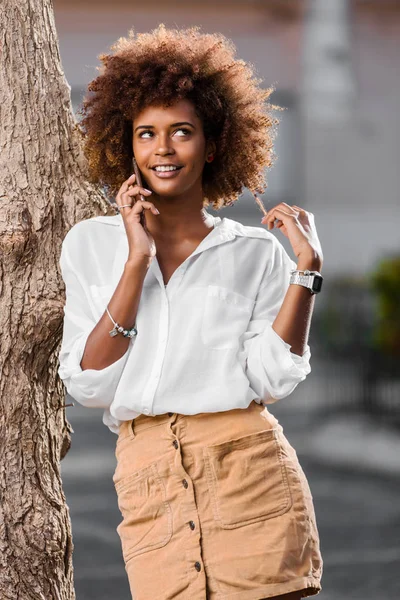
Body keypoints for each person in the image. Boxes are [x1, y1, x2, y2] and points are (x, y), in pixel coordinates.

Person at [58, 24, 324, 600]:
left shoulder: (255, 252)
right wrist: (136, 263)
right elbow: (89, 382)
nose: (163, 148)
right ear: (124, 144)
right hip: (148, 478)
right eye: (146, 133)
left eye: (182, 131)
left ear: (213, 142)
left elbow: (273, 376)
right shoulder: (90, 245)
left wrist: (306, 273)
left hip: (249, 471)